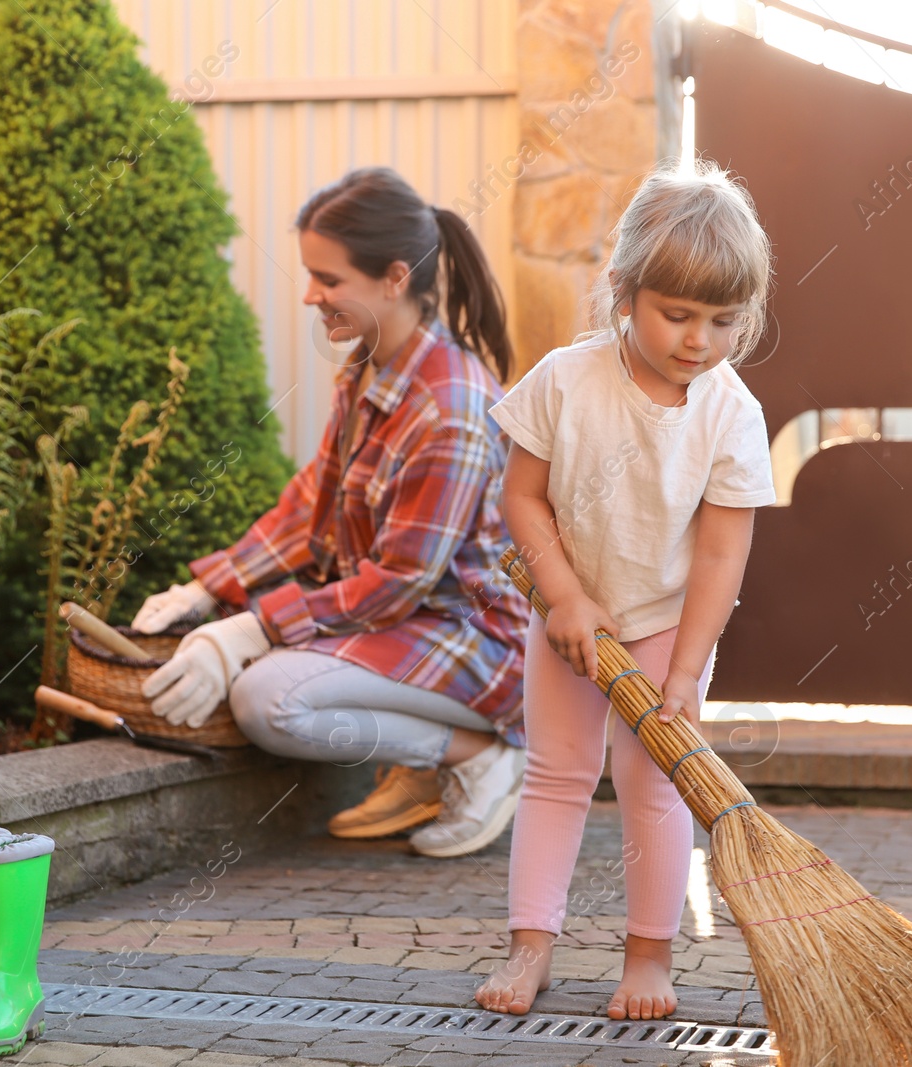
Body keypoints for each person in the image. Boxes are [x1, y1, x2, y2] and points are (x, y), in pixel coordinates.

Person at [131, 166, 531, 860]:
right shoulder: (372, 368)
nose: (312, 294)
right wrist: (207, 588)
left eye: (329, 278)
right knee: (263, 665)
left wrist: (255, 627)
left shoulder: (450, 410)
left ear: (395, 277)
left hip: (474, 641)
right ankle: (424, 766)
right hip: (405, 622)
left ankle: (476, 756)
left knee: (268, 699)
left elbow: (398, 582)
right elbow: (309, 505)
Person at [474, 159, 778, 1020]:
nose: (698, 339)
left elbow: (722, 553)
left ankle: (649, 957)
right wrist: (564, 597)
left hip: (665, 627)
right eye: (676, 313)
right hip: (570, 614)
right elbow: (520, 496)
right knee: (558, 773)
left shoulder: (732, 412)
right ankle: (530, 944)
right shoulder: (565, 381)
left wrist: (685, 670)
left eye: (723, 320)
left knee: (653, 784)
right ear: (624, 290)